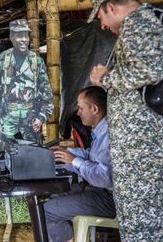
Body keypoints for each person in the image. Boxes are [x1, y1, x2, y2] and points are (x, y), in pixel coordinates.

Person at [88, 0, 163, 241]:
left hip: (143, 150)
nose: (102, 24)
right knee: (150, 226)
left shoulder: (137, 23)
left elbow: (149, 69)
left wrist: (105, 79)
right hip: (150, 147)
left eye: (100, 16)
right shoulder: (149, 23)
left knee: (139, 229)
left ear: (111, 7)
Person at [44, 86, 115, 242]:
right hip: (98, 191)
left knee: (46, 211)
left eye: (81, 108)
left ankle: (69, 238)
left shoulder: (110, 134)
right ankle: (71, 236)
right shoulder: (100, 131)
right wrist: (65, 153)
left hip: (109, 199)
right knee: (52, 197)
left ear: (95, 109)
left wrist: (73, 160)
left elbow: (104, 177)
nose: (78, 113)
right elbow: (91, 156)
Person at [0, 19, 53, 145]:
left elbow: (47, 94)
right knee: (9, 156)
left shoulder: (37, 61)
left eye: (26, 35)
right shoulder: (3, 59)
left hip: (31, 118)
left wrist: (41, 117)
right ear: (11, 37)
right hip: (8, 118)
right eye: (19, 35)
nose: (24, 39)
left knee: (32, 156)